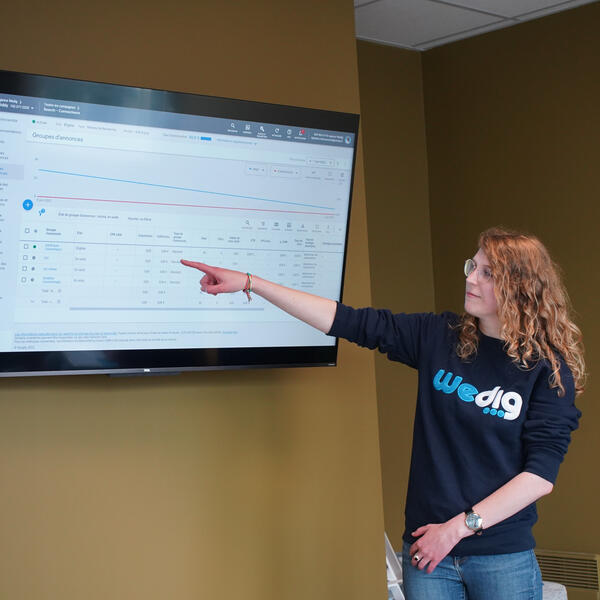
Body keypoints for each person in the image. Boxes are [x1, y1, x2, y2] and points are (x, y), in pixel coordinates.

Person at [181, 226, 584, 600]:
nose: (471, 278)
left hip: (500, 557)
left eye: (487, 273)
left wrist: (455, 530)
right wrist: (251, 283)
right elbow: (347, 320)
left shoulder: (547, 370)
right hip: (428, 554)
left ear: (519, 288)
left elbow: (539, 477)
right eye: (472, 266)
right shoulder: (440, 337)